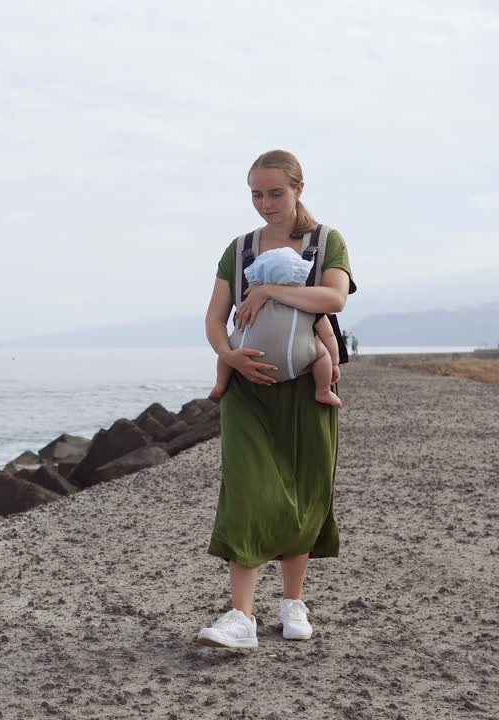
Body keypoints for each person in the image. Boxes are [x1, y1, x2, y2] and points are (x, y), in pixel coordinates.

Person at [195, 149, 356, 649]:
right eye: (256, 194)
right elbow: (214, 318)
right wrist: (231, 357)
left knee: (304, 491)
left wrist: (267, 293)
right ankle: (241, 617)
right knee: (248, 492)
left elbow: (333, 300)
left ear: (298, 189)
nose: (265, 203)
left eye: (275, 192)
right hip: (248, 391)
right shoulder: (239, 248)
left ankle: (292, 603)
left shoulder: (327, 241)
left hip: (308, 390)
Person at [207, 245, 344, 407]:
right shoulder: (306, 304)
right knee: (322, 352)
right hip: (295, 362)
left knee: (228, 346)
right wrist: (334, 363)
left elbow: (232, 322)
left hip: (247, 357)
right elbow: (328, 335)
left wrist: (227, 353)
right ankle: (323, 391)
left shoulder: (249, 302)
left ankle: (220, 384)